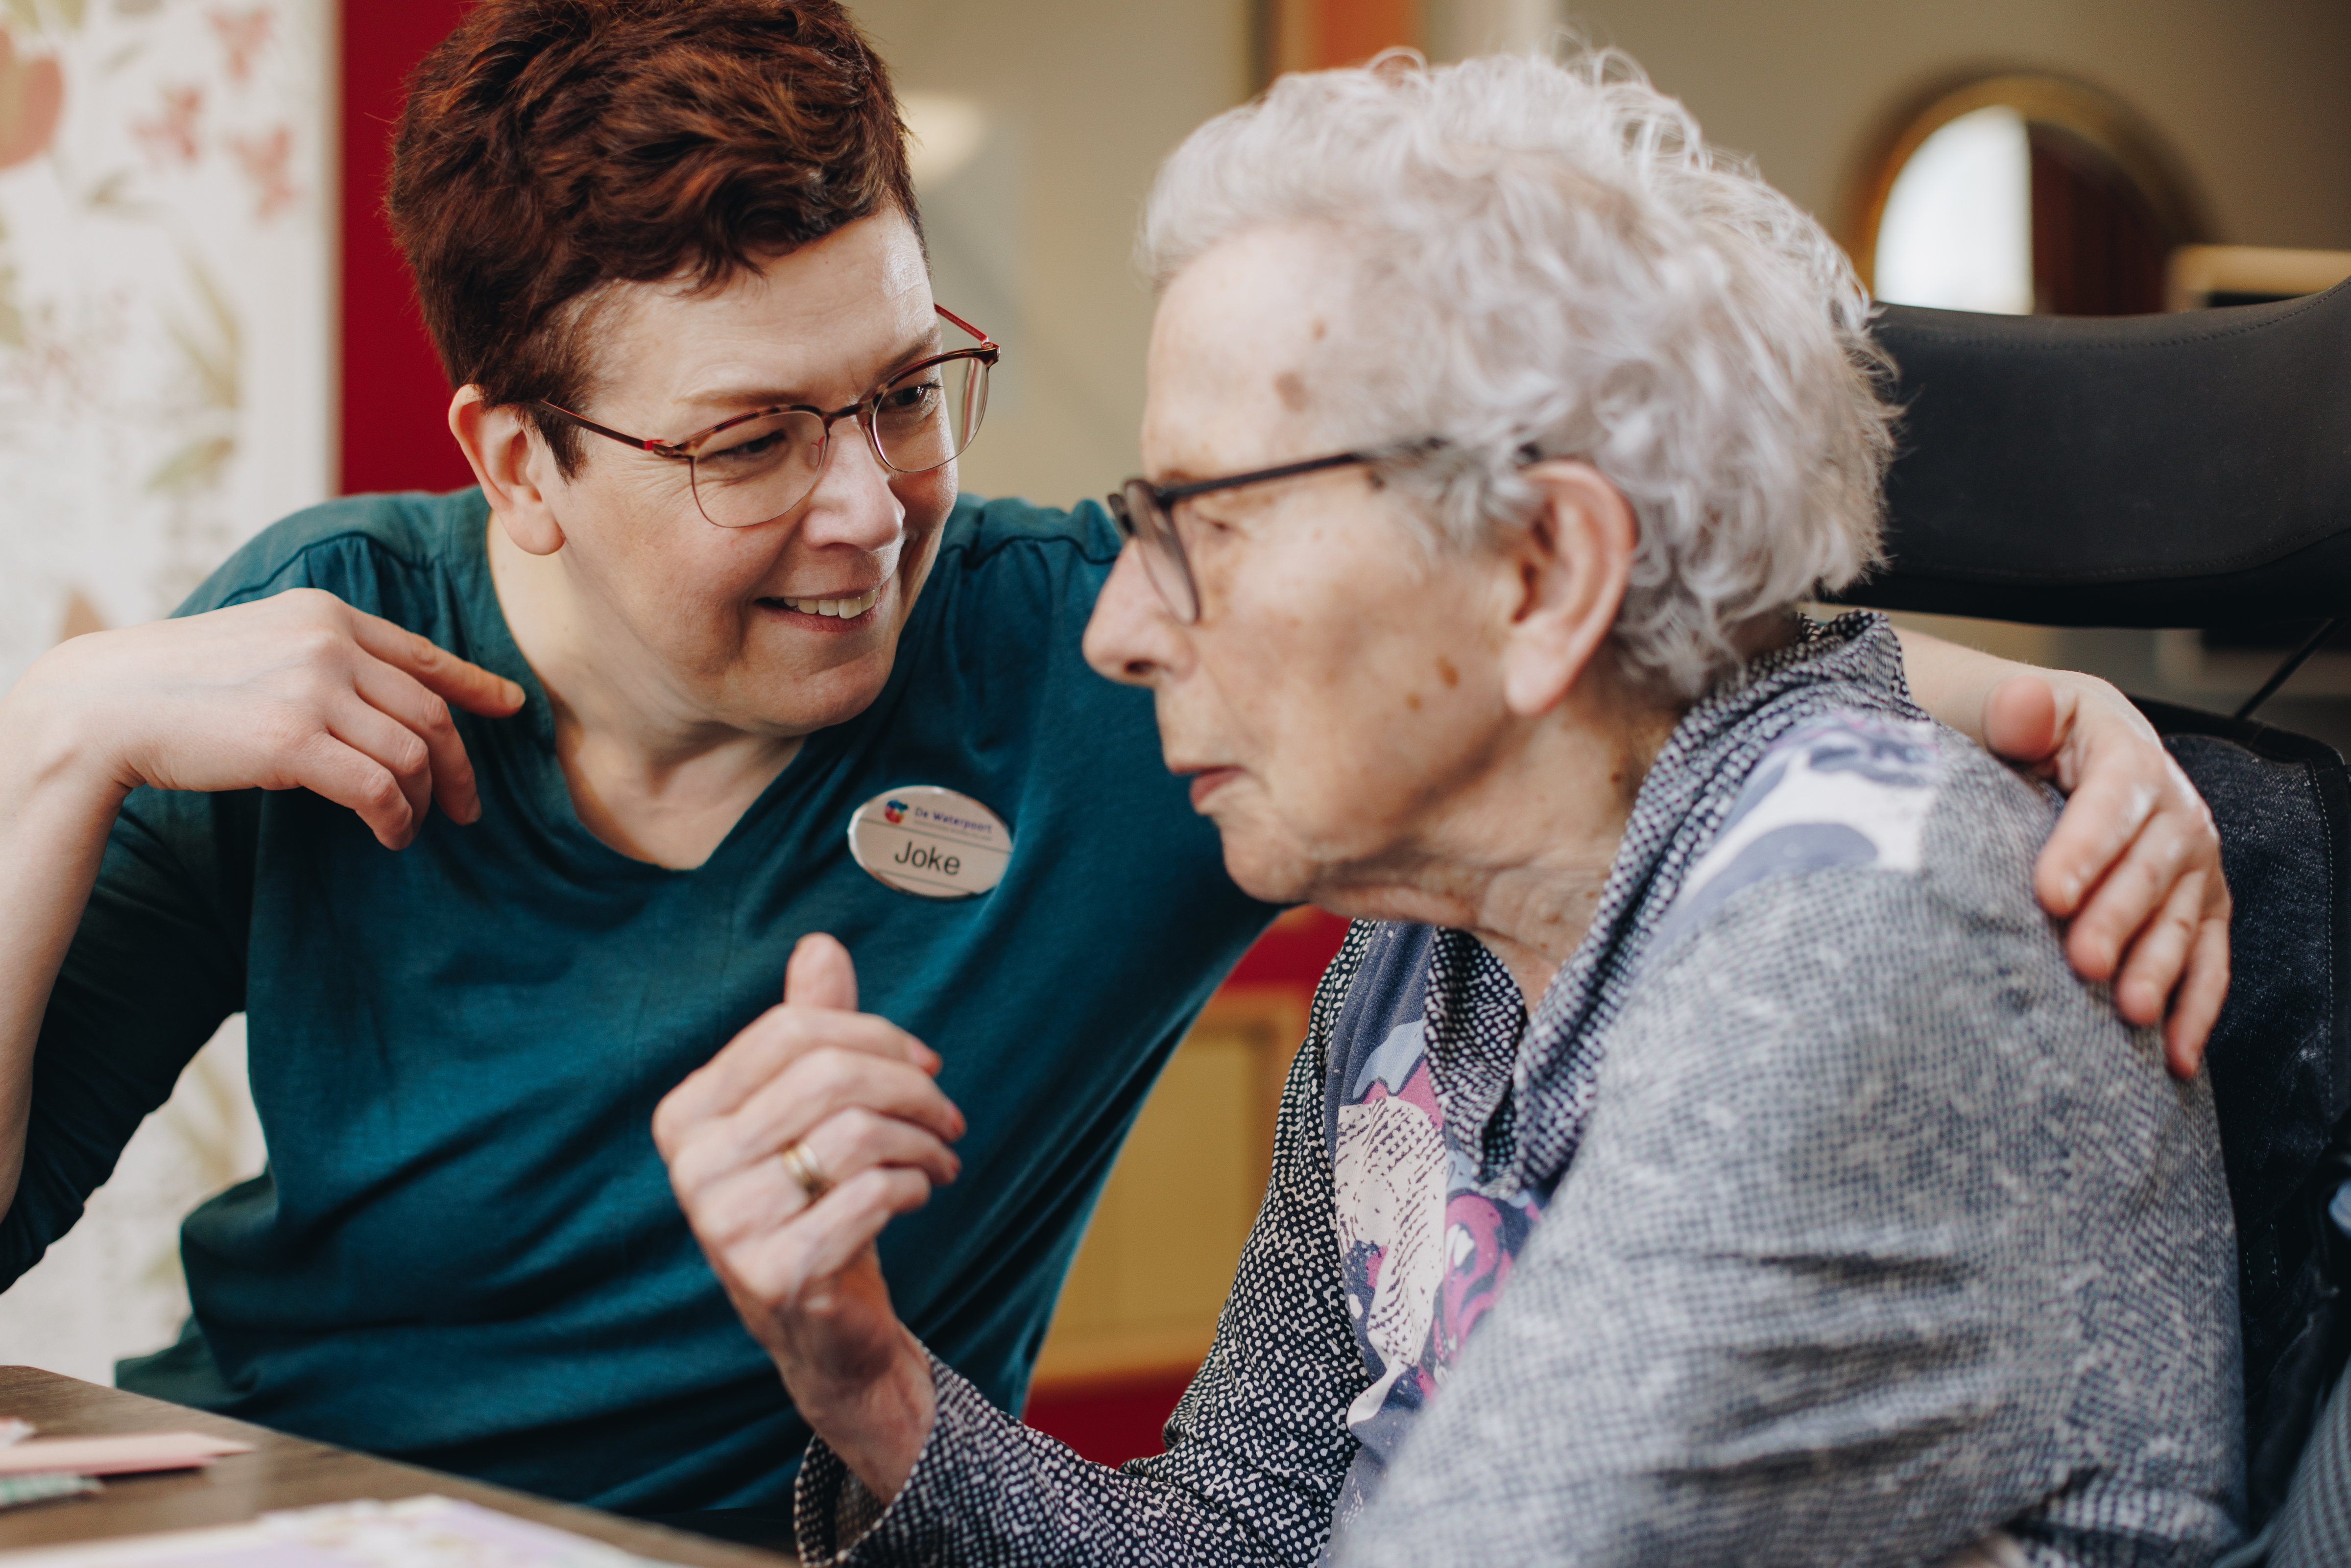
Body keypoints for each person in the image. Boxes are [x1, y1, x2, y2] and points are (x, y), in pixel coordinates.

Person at [0, 0, 2221, 1522]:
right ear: (521, 459)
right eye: (757, 441)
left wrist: (2043, 710)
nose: (871, 506)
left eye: (903, 386)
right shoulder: (318, 635)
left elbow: (1565, 635)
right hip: (272, 1508)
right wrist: (58, 731)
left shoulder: (1109, 668)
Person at [660, 48, 2241, 1566]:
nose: (1115, 629)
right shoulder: (1418, 979)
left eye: (1202, 516)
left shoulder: (1850, 927)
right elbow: (1246, 1539)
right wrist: (871, 1384)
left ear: (1544, 573)